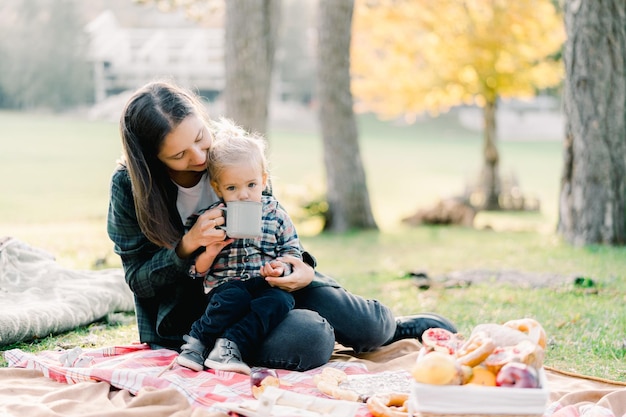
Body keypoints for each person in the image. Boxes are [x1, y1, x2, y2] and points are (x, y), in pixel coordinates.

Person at [107, 80, 457, 372]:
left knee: (368, 324)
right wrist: (186, 247)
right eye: (179, 155)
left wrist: (298, 266)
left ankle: (387, 329)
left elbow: (274, 221)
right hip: (199, 314)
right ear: (152, 160)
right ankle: (222, 348)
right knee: (312, 338)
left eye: (200, 138)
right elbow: (138, 279)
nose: (199, 157)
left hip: (264, 283)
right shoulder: (130, 186)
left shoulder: (232, 153)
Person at [176, 118, 302, 375]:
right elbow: (196, 271)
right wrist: (210, 251)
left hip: (264, 285)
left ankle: (230, 345)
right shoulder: (211, 218)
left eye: (251, 185)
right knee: (235, 297)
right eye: (232, 188)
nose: (244, 195)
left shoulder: (276, 215)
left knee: (281, 301)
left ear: (264, 180)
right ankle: (197, 342)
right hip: (226, 286)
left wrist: (281, 268)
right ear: (217, 188)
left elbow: (292, 252)